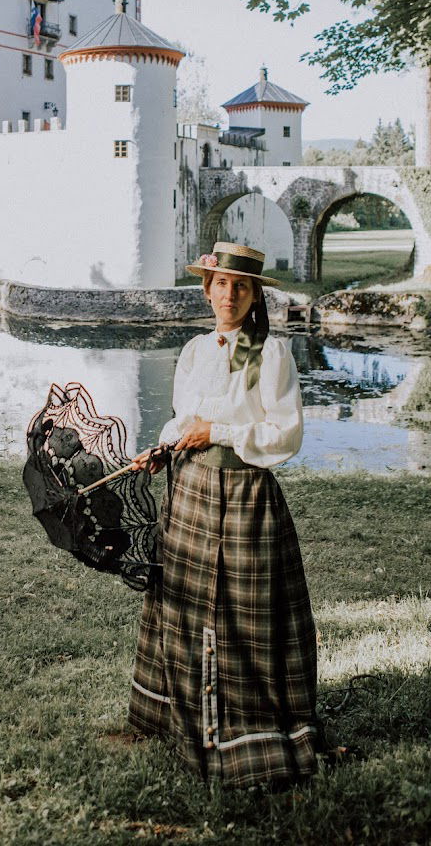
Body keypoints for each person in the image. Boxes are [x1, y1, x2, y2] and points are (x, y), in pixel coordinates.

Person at [128, 241, 320, 788]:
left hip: (243, 498)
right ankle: (180, 718)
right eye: (220, 284)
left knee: (244, 613)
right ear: (207, 288)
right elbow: (183, 419)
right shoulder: (192, 351)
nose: (228, 295)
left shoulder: (270, 354)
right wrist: (161, 449)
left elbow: (285, 435)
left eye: (240, 286)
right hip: (188, 491)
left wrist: (221, 432)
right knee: (186, 606)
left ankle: (248, 737)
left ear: (255, 294)